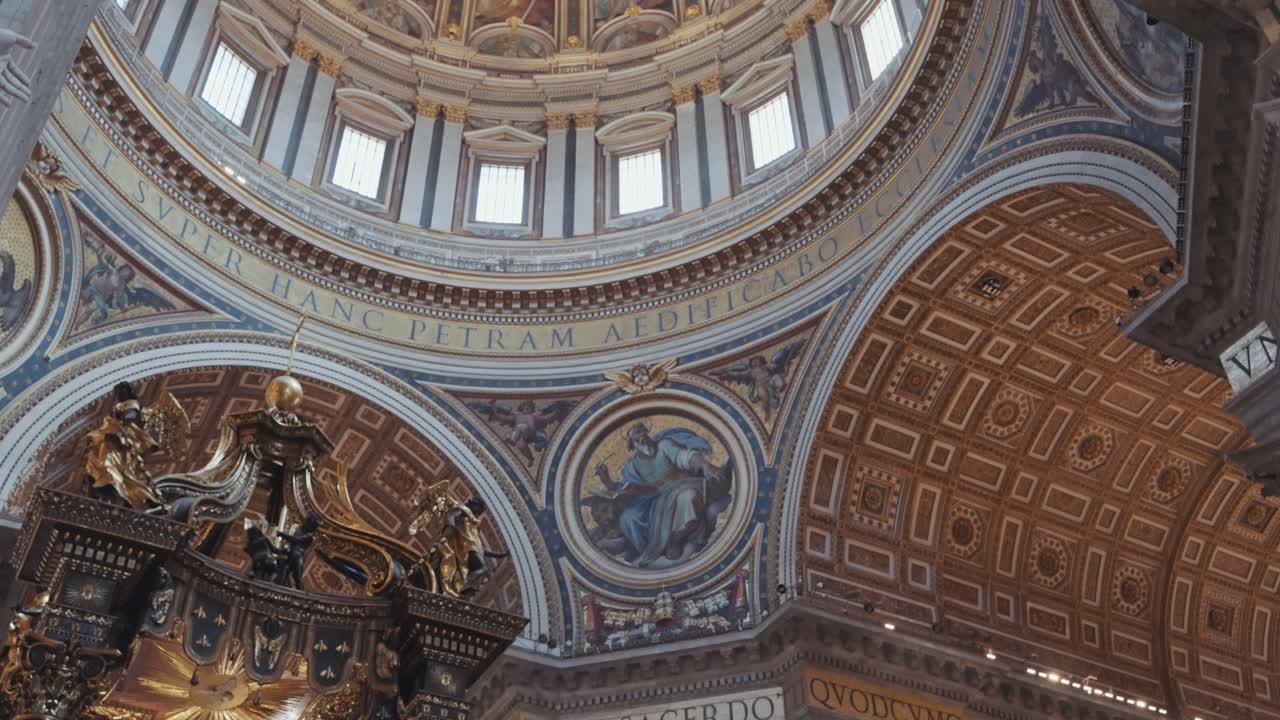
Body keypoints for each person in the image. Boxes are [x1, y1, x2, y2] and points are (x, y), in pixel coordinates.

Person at [589, 423, 732, 567]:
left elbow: (685, 457)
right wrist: (607, 480)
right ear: (632, 443)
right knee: (628, 518)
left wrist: (705, 465)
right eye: (637, 435)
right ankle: (644, 551)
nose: (642, 436)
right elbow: (624, 487)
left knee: (688, 498)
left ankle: (675, 540)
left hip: (683, 484)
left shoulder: (664, 446)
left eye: (643, 432)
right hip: (655, 497)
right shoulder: (634, 465)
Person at [439, 498, 507, 597]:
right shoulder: (464, 511)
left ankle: (466, 587)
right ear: (474, 505)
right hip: (465, 549)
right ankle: (467, 586)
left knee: (482, 568)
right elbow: (451, 517)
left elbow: (478, 547)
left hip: (470, 549)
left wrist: (497, 555)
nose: (479, 513)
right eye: (479, 509)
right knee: (482, 567)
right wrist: (453, 529)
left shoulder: (473, 525)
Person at [276, 514, 319, 591]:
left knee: (297, 577)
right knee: (284, 572)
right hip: (290, 554)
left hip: (298, 557)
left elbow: (296, 539)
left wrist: (282, 534)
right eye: (306, 521)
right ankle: (277, 590)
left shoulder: (309, 536)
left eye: (308, 522)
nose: (305, 522)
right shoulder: (299, 529)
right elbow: (292, 541)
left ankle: (301, 595)